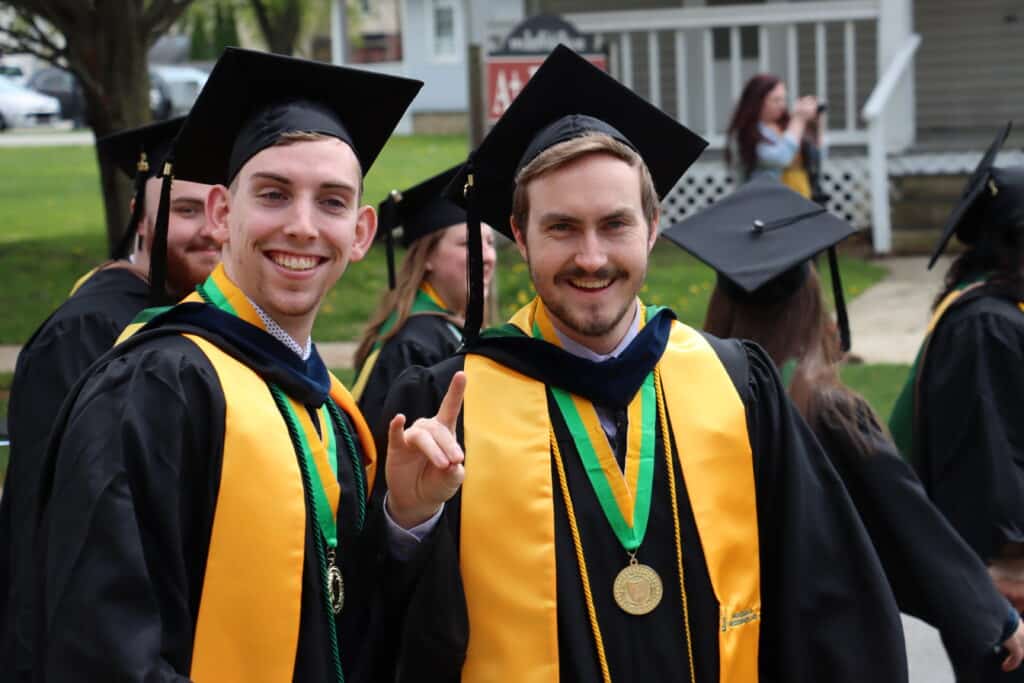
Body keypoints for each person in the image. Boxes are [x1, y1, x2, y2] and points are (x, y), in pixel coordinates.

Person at [379, 45, 907, 682]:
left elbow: (828, 603)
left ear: (652, 228)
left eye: (615, 224)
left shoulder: (737, 386)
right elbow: (384, 632)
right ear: (520, 236)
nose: (593, 257)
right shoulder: (449, 407)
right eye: (562, 228)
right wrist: (407, 523)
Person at [29, 47, 422, 682]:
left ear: (361, 232)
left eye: (331, 201)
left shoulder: (333, 412)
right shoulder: (154, 386)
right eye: (273, 194)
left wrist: (405, 520)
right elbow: (105, 650)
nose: (301, 226)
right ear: (221, 212)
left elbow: (340, 612)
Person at [664, 177, 1024, 681]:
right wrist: (995, 615)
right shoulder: (828, 411)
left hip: (731, 642)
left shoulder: (687, 402)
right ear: (812, 304)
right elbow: (911, 526)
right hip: (824, 644)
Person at [0, 117, 218, 680]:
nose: (210, 232)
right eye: (185, 210)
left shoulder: (204, 323)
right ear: (139, 218)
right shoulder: (89, 330)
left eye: (220, 211)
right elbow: (59, 528)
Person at [889, 122, 1024, 681]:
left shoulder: (1002, 313)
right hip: (1007, 586)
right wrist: (1011, 567)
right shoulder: (983, 328)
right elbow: (990, 465)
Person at [351, 166, 497, 430]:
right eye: (469, 243)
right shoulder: (411, 347)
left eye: (490, 242)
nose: (487, 256)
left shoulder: (447, 330)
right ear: (427, 257)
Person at [725, 73, 823, 198]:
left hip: (799, 198)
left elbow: (818, 155)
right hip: (762, 202)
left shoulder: (786, 126)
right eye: (776, 100)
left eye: (783, 99)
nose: (782, 105)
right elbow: (781, 158)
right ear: (757, 101)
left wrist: (816, 125)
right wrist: (799, 120)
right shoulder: (746, 133)